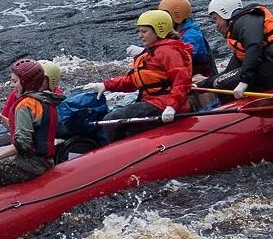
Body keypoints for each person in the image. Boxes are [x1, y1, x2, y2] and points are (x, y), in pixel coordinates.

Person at [80, 9, 193, 142]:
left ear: (159, 30)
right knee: (117, 118)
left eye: (144, 31)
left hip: (164, 104)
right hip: (153, 102)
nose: (140, 35)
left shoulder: (167, 52)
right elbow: (134, 81)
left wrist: (171, 106)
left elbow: (181, 80)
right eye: (139, 31)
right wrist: (106, 85)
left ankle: (118, 154)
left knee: (111, 120)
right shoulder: (151, 52)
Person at [0, 58, 63, 197]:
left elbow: (22, 144)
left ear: (26, 83)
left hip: (32, 164)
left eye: (14, 81)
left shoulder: (26, 105)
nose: (11, 85)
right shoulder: (45, 99)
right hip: (42, 160)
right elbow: (19, 128)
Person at [196, 0, 273, 98]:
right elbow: (229, 72)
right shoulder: (241, 40)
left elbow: (254, 45)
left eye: (215, 19)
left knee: (221, 83)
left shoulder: (244, 21)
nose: (216, 26)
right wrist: (199, 85)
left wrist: (244, 81)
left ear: (225, 13)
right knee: (220, 82)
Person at [158, 0, 216, 78]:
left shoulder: (192, 35)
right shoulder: (173, 31)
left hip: (202, 76)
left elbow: (184, 58)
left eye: (165, 15)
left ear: (177, 15)